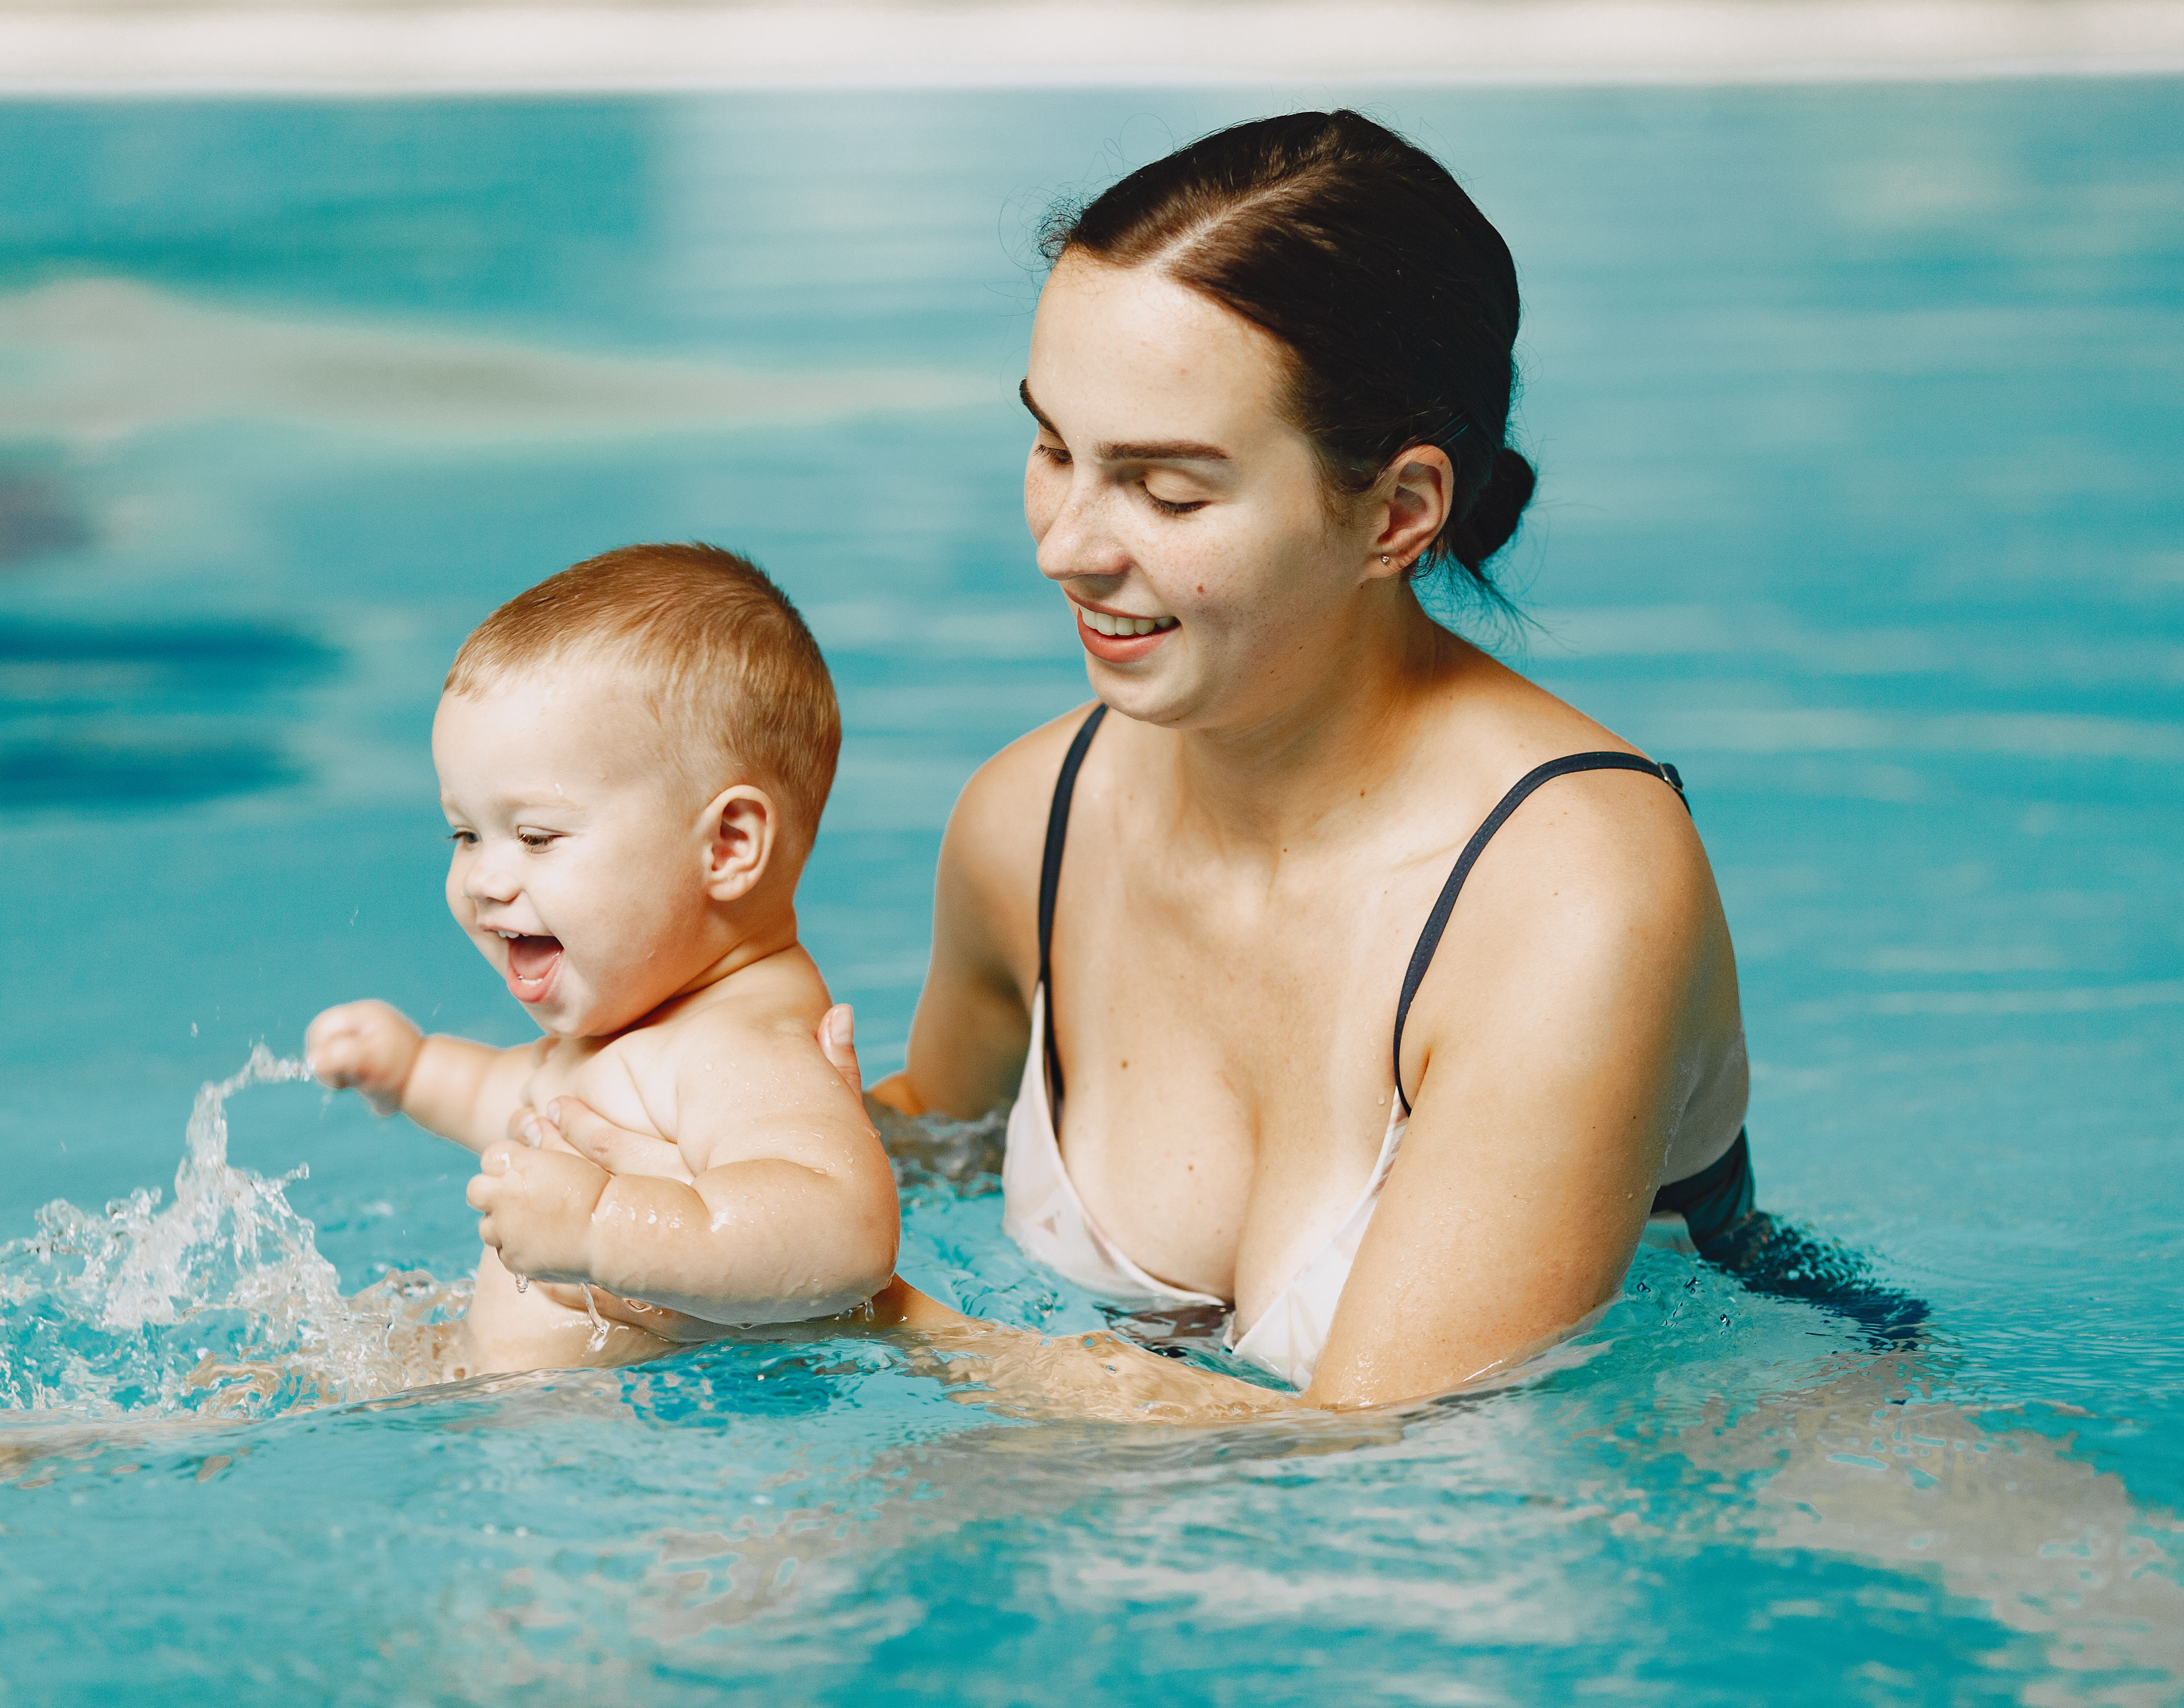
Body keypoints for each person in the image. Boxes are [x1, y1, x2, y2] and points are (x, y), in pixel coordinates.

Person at [851, 109, 1760, 1412]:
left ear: (1397, 513)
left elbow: (1377, 1461)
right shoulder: (1028, 822)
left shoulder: (1573, 891)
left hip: (1753, 1461)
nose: (1066, 548)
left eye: (1168, 491)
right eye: (1055, 451)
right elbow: (938, 1144)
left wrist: (857, 1304)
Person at [304, 544, 899, 1378]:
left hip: (623, 1436)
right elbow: (509, 1096)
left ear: (728, 846)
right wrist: (411, 1070)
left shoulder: (742, 1045)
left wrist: (603, 1226)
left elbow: (844, 1231)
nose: (483, 880)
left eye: (535, 837)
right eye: (466, 834)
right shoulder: (635, 1021)